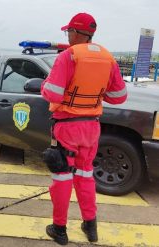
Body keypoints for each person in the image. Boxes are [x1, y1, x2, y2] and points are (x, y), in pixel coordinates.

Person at [40, 13, 127, 245]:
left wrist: (44, 83)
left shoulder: (68, 57)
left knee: (62, 176)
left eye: (68, 31)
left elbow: (53, 94)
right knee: (86, 176)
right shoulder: (108, 58)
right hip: (92, 128)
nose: (67, 35)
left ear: (77, 33)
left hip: (67, 127)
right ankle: (91, 226)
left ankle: (59, 229)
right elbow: (119, 96)